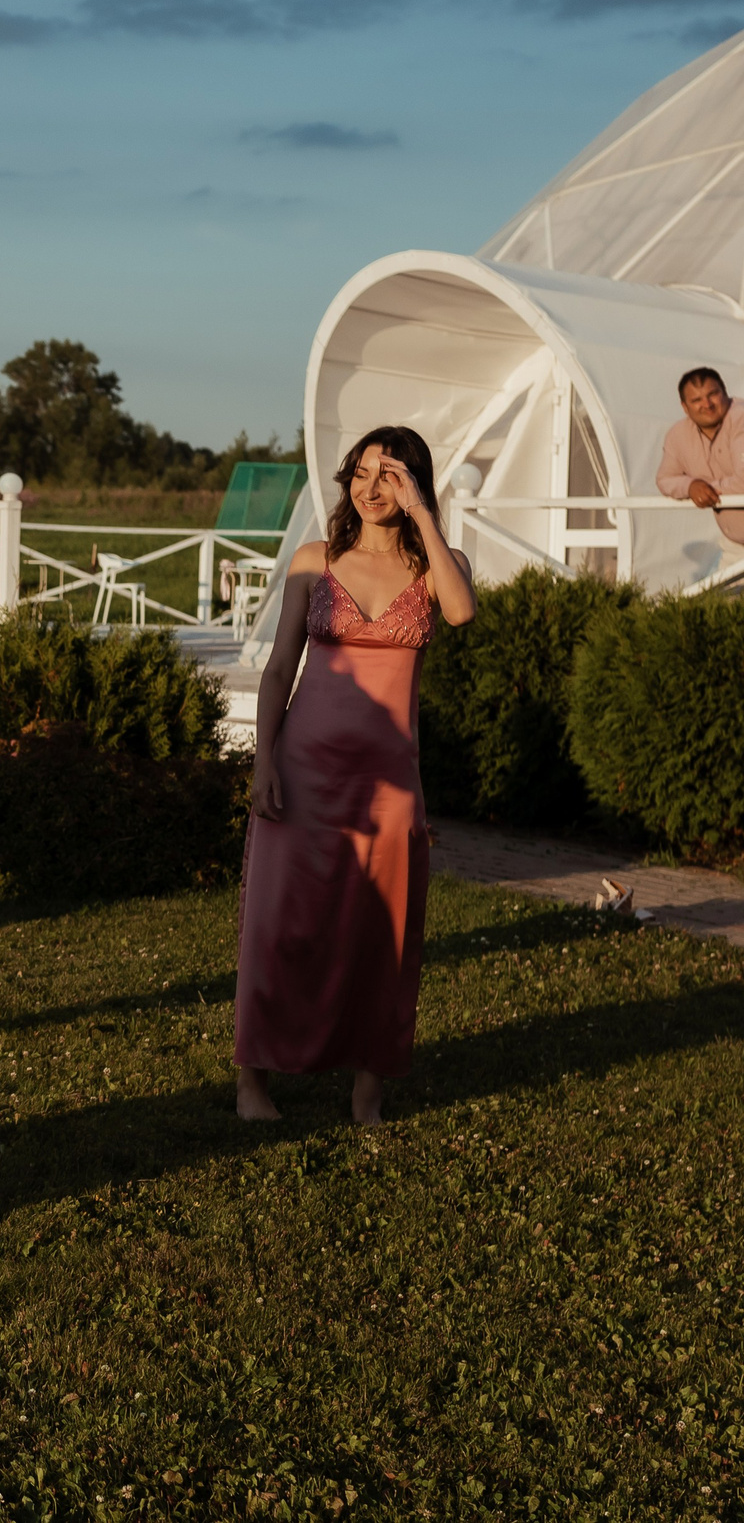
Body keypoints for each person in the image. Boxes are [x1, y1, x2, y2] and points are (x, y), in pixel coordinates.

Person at [237, 425, 474, 1126]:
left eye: (391, 476)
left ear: (414, 486)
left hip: (390, 777)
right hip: (304, 769)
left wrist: (426, 517)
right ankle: (252, 1080)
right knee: (280, 923)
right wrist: (263, 761)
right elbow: (279, 668)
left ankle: (367, 1091)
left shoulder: (440, 565)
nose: (372, 489)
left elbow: (460, 613)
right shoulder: (314, 560)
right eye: (362, 474)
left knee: (382, 932)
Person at [654, 365, 744, 560]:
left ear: (725, 393)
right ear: (684, 407)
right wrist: (691, 486)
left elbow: (743, 482)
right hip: (735, 546)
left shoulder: (741, 418)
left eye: (713, 394)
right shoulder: (677, 435)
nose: (707, 404)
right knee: (722, 591)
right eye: (696, 400)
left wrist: (706, 489)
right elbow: (665, 479)